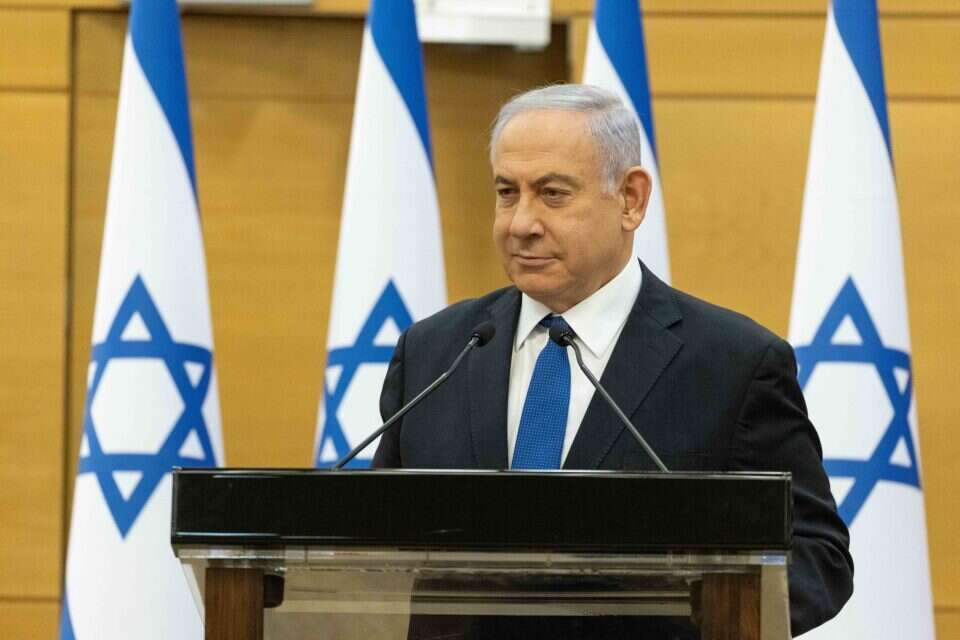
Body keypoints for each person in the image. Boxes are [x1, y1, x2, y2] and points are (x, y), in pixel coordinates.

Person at [372, 84, 853, 638]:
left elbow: (816, 554)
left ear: (630, 199)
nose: (520, 223)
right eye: (507, 192)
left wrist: (703, 613)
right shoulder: (435, 353)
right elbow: (373, 543)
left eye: (552, 194)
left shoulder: (733, 365)